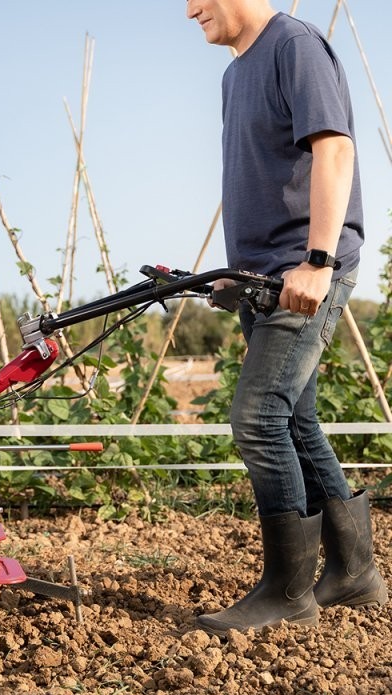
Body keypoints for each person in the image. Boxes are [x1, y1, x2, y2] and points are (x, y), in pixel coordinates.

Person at [184, 0, 387, 634]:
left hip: (306, 273)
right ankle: (354, 574)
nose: (189, 10)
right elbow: (261, 177)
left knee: (258, 418)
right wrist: (235, 270)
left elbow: (333, 151)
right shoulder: (234, 73)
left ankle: (286, 590)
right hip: (264, 278)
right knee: (295, 419)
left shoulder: (294, 47)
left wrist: (318, 261)